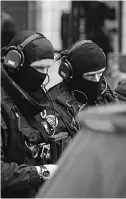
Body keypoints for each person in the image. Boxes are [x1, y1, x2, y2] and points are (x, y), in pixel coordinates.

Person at [1, 30, 77, 198]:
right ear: (14, 62)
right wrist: (42, 172)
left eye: (47, 68)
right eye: (38, 68)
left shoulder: (35, 97)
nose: (43, 75)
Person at [48, 39, 118, 115]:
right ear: (70, 73)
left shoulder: (106, 94)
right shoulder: (53, 106)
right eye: (90, 75)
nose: (97, 80)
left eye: (100, 73)